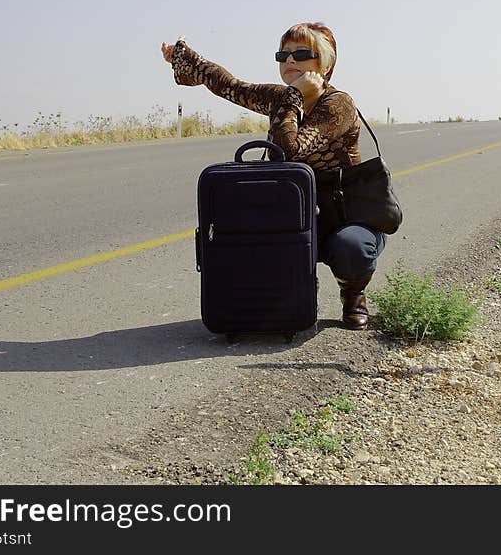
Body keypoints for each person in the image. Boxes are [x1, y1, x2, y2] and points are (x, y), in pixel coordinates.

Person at [160, 22, 386, 330]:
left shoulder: (338, 104)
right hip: (293, 212)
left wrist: (292, 99)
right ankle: (301, 288)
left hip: (342, 214)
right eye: (284, 54)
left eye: (302, 53)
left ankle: (353, 293)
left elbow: (291, 152)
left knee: (351, 249)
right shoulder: (281, 96)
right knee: (251, 235)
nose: (290, 61)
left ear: (326, 63)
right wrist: (184, 58)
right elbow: (229, 85)